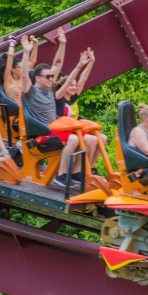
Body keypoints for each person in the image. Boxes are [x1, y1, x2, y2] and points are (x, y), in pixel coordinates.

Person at [19, 33, 106, 186]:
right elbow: (24, 75)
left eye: (52, 77)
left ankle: (78, 172)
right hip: (42, 132)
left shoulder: (52, 93)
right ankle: (61, 175)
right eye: (48, 77)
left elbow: (58, 65)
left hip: (58, 129)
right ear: (38, 78)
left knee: (92, 138)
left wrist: (63, 44)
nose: (51, 79)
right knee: (73, 138)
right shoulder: (31, 92)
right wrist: (26, 52)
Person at [54, 48, 95, 119]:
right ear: (63, 86)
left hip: (74, 127)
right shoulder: (59, 97)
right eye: (71, 85)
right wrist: (80, 65)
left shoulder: (73, 97)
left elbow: (83, 79)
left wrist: (92, 62)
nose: (74, 88)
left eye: (75, 85)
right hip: (61, 128)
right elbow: (69, 81)